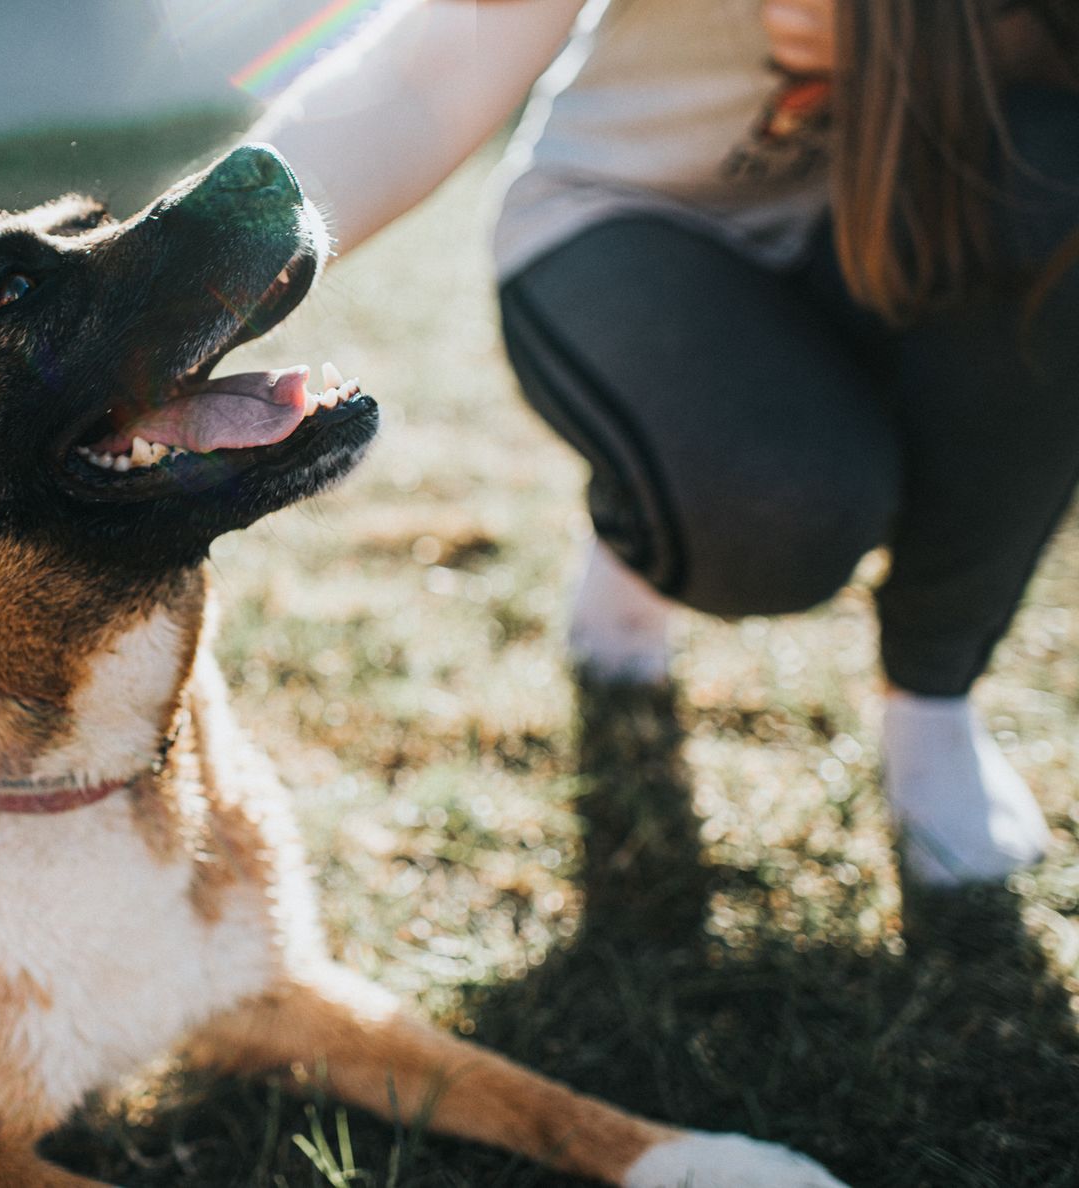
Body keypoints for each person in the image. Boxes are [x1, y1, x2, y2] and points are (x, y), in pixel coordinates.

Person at [248, 0, 1078, 887]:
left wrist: (949, 41)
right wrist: (205, 274)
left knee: (1053, 171)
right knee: (778, 516)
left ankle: (933, 700)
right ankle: (641, 514)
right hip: (627, 214)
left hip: (872, 238)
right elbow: (433, 63)